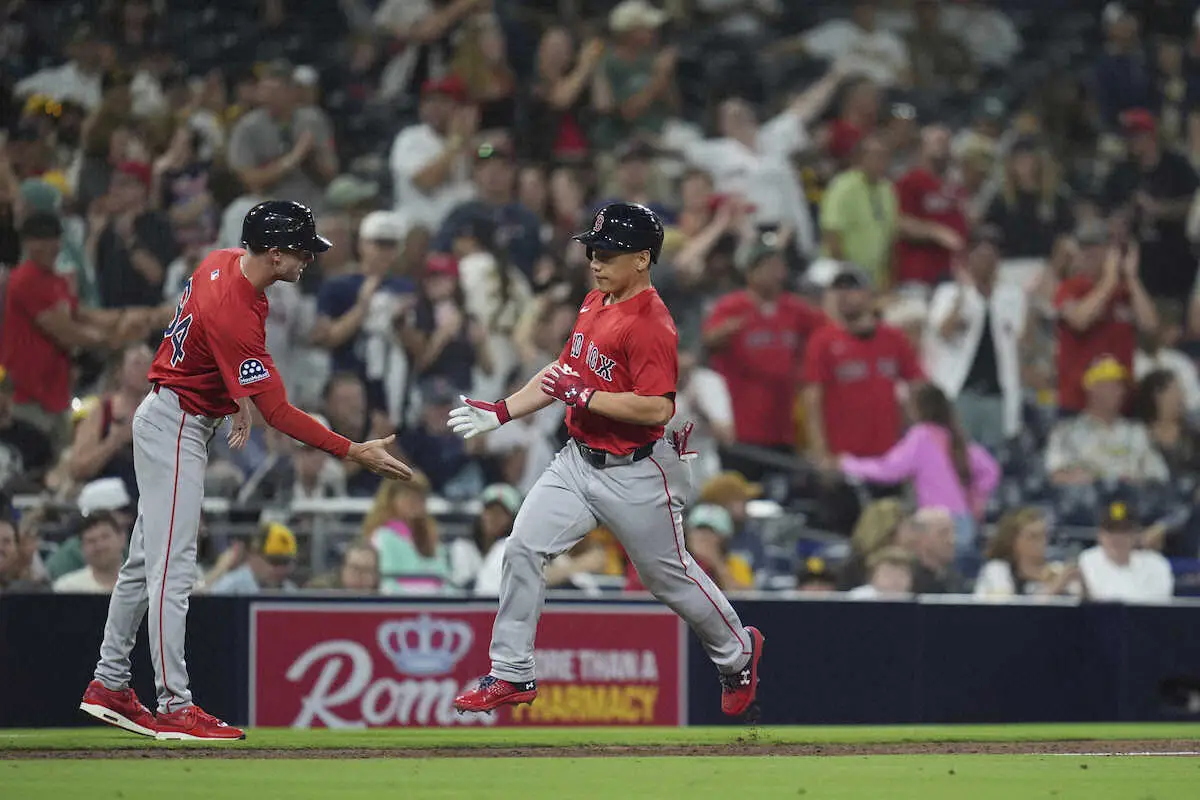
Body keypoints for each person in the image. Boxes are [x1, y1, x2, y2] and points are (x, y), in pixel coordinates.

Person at [78, 200, 412, 742]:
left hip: (175, 412)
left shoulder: (222, 259)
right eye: (302, 249)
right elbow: (279, 411)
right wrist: (352, 450)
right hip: (178, 425)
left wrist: (237, 396)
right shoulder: (237, 306)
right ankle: (173, 704)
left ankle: (110, 682)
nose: (309, 258)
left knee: (144, 563)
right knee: (171, 569)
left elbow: (210, 343)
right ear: (275, 254)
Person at [446, 202, 763, 718]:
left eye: (609, 252)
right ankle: (511, 671)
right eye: (593, 250)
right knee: (523, 547)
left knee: (668, 579)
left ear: (642, 258)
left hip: (638, 469)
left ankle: (738, 652)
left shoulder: (651, 323)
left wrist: (585, 396)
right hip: (577, 460)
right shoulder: (597, 299)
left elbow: (658, 405)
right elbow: (563, 370)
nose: (596, 260)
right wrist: (503, 411)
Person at [839, 384, 1000, 558]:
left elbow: (890, 470)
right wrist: (975, 498)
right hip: (963, 521)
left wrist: (847, 463)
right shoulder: (954, 437)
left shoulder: (922, 436)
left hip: (934, 523)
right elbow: (990, 470)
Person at [923, 225, 1026, 450]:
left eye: (992, 255)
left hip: (997, 394)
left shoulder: (1013, 296)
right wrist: (963, 293)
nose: (986, 261)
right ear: (969, 258)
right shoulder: (948, 293)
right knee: (957, 459)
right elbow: (945, 332)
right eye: (980, 254)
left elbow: (1018, 341)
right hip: (960, 392)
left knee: (993, 464)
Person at [1045, 356, 1169, 485]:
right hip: (1088, 499)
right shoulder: (1066, 432)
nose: (1117, 391)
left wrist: (1137, 481)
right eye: (1109, 385)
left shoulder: (1136, 432)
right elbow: (1055, 475)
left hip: (1133, 499)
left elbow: (1159, 475)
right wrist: (1083, 480)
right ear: (1091, 388)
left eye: (1119, 386)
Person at [974, 508, 1081, 599]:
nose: (1042, 542)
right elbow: (1007, 610)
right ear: (1012, 540)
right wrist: (1056, 586)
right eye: (1033, 536)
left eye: (1044, 535)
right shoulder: (997, 570)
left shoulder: (1056, 569)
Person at [1078, 501, 1174, 602]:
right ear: (1100, 535)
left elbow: (1157, 605)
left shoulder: (1156, 564)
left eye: (1123, 531)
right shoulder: (1087, 561)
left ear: (1135, 534)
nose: (1117, 538)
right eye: (1111, 531)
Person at [207, 523, 299, 595]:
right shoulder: (230, 587)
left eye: (286, 563)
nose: (281, 569)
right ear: (254, 555)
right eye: (275, 562)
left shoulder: (291, 592)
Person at [53, 511, 128, 594]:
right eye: (91, 541)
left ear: (122, 539)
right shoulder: (67, 588)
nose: (100, 546)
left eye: (105, 537)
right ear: (82, 548)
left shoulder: (139, 583)